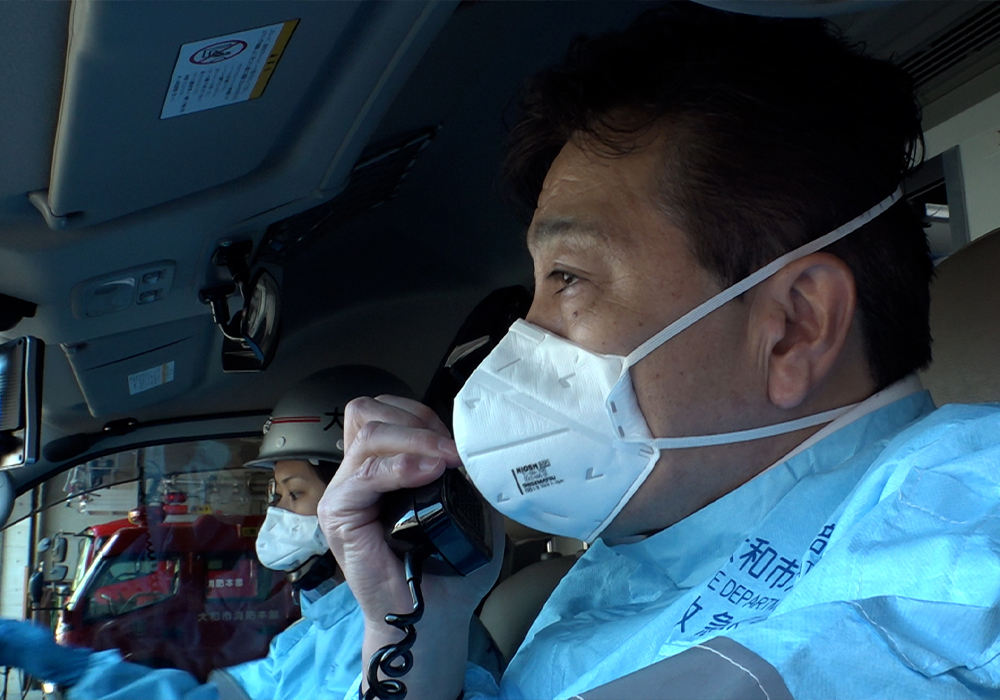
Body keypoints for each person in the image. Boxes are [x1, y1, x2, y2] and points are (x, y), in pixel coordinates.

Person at [317, 4, 1000, 700]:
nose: (523, 340)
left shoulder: (962, 521)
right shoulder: (641, 558)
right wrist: (414, 626)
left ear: (795, 328)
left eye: (569, 278)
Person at [1, 366, 502, 699]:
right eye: (276, 495)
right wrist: (76, 670)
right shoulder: (308, 634)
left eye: (295, 493)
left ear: (380, 499)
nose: (276, 514)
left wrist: (409, 631)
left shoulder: (441, 637)